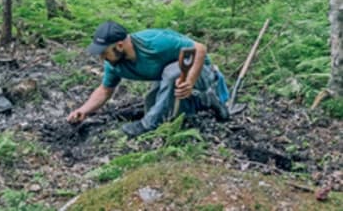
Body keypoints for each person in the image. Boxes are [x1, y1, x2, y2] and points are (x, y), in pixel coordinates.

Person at [67, 21, 230, 138]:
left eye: (104, 52)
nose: (102, 57)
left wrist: (191, 81)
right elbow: (105, 90)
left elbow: (199, 49)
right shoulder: (114, 63)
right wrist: (83, 110)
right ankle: (206, 101)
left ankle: (147, 125)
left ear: (120, 45)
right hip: (167, 80)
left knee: (171, 75)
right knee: (156, 103)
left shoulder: (155, 42)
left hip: (201, 73)